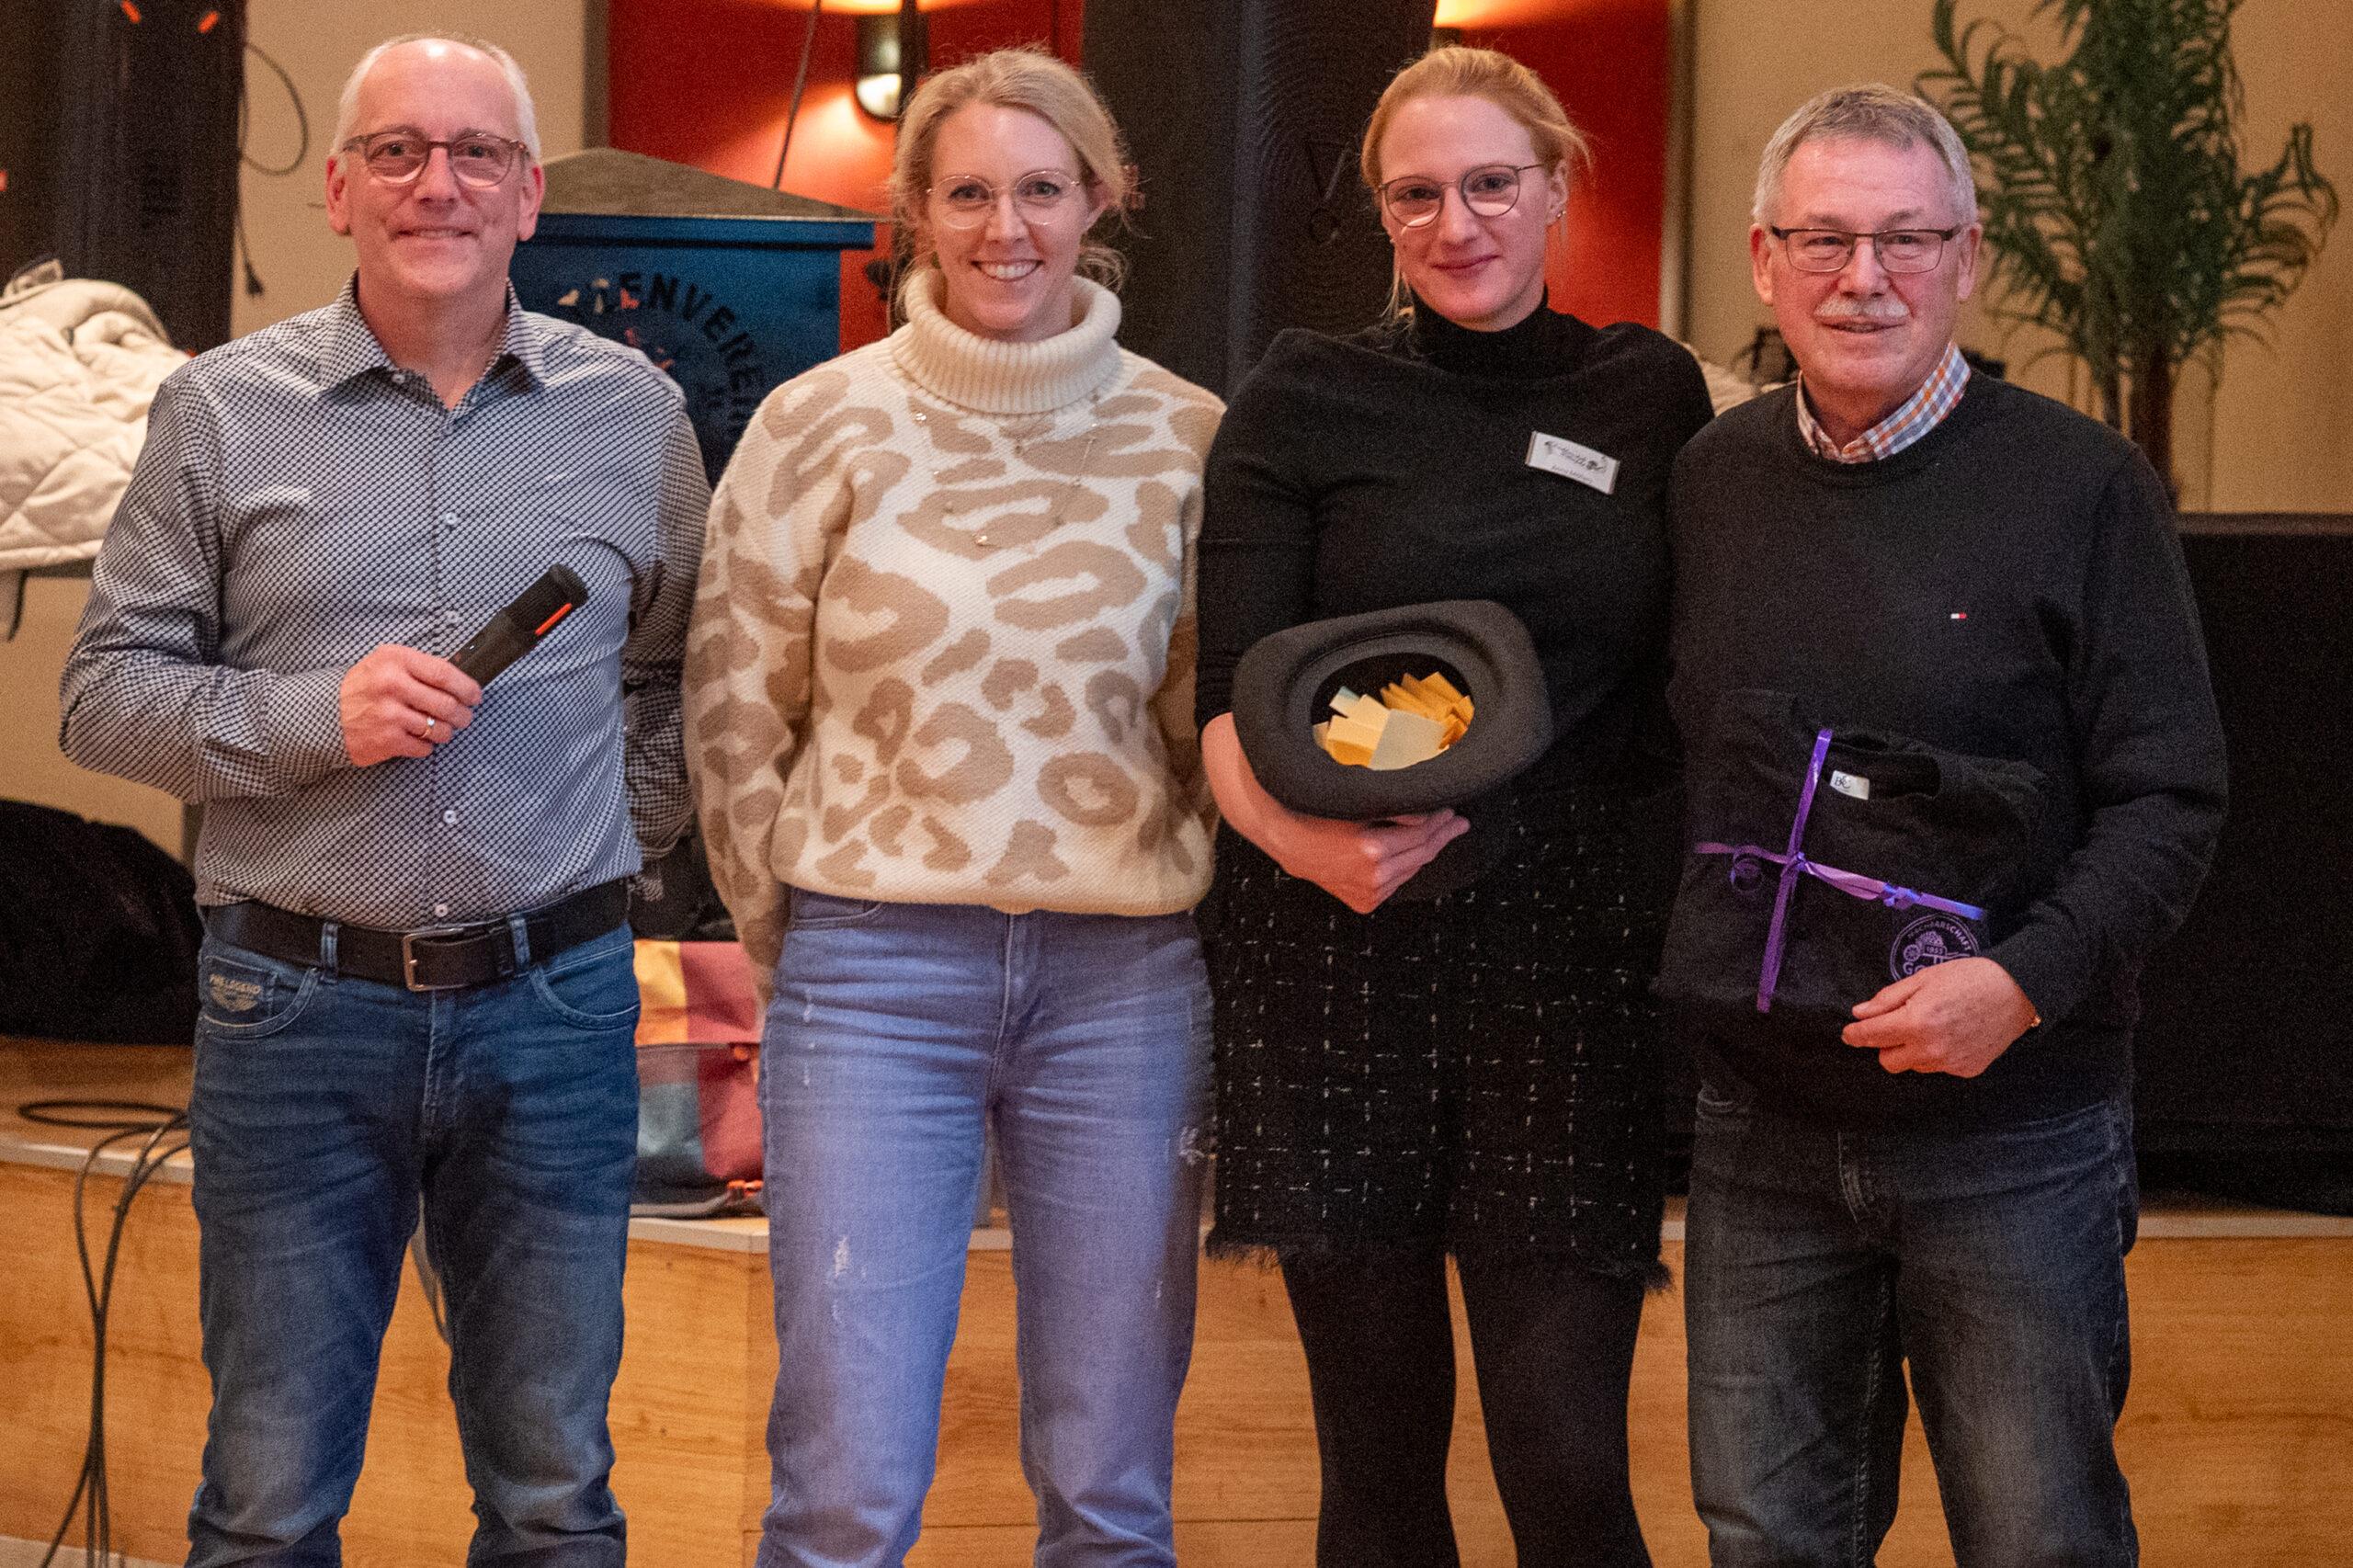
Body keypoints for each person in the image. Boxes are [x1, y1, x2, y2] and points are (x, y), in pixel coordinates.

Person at [58, 32, 706, 1567]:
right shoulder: (221, 411)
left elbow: (685, 675)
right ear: (341, 189)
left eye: (478, 152)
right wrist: (316, 719)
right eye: (399, 151)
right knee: (268, 1500)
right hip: (296, 1007)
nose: (440, 183)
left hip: (557, 1011)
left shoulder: (635, 415)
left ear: (530, 194)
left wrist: (609, 836)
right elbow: (102, 694)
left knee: (555, 1495)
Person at [1668, 85, 2228, 1567]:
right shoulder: (1711, 483)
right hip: (1763, 1126)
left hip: (2014, 1127)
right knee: (1764, 1537)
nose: (1865, 277)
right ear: (1764, 260)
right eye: (1826, 238)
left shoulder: (2086, 487)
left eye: (1907, 238)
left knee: (2039, 1537)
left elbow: (2172, 798)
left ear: (1968, 258)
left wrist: (2022, 984)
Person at [683, 48, 1222, 1568]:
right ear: (913, 211)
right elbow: (735, 714)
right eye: (970, 193)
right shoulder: (816, 423)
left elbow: (1207, 730)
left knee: (1111, 1491)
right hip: (872, 977)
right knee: (843, 1489)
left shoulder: (1191, 434)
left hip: (1123, 983)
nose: (1007, 227)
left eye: (1042, 189)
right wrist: (795, 946)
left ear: (1102, 199)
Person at [1194, 45, 1715, 1568]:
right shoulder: (1303, 393)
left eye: (1491, 183)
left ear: (1557, 187)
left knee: (1564, 1456)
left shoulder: (1649, 394)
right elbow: (1227, 695)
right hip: (1331, 953)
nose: (1456, 221)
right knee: (1376, 1461)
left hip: (1571, 961)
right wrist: (1304, 847)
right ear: (1380, 214)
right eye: (1415, 194)